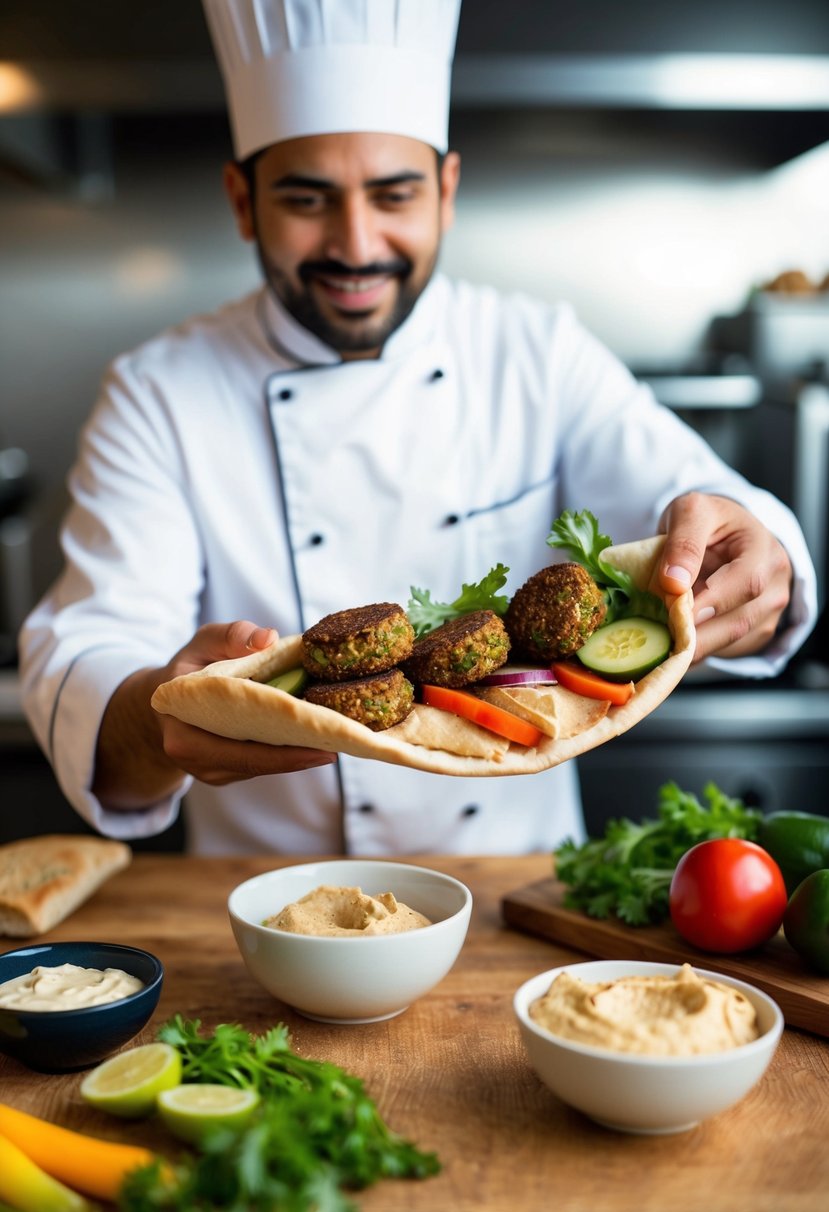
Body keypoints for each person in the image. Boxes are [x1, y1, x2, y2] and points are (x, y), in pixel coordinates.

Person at [19, 0, 816, 856]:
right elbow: (92, 653)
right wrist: (157, 714)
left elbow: (696, 502)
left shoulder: (535, 350)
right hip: (263, 907)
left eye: (393, 194)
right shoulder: (157, 394)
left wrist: (750, 548)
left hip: (514, 892)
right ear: (242, 202)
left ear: (445, 192)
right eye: (306, 197)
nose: (356, 243)